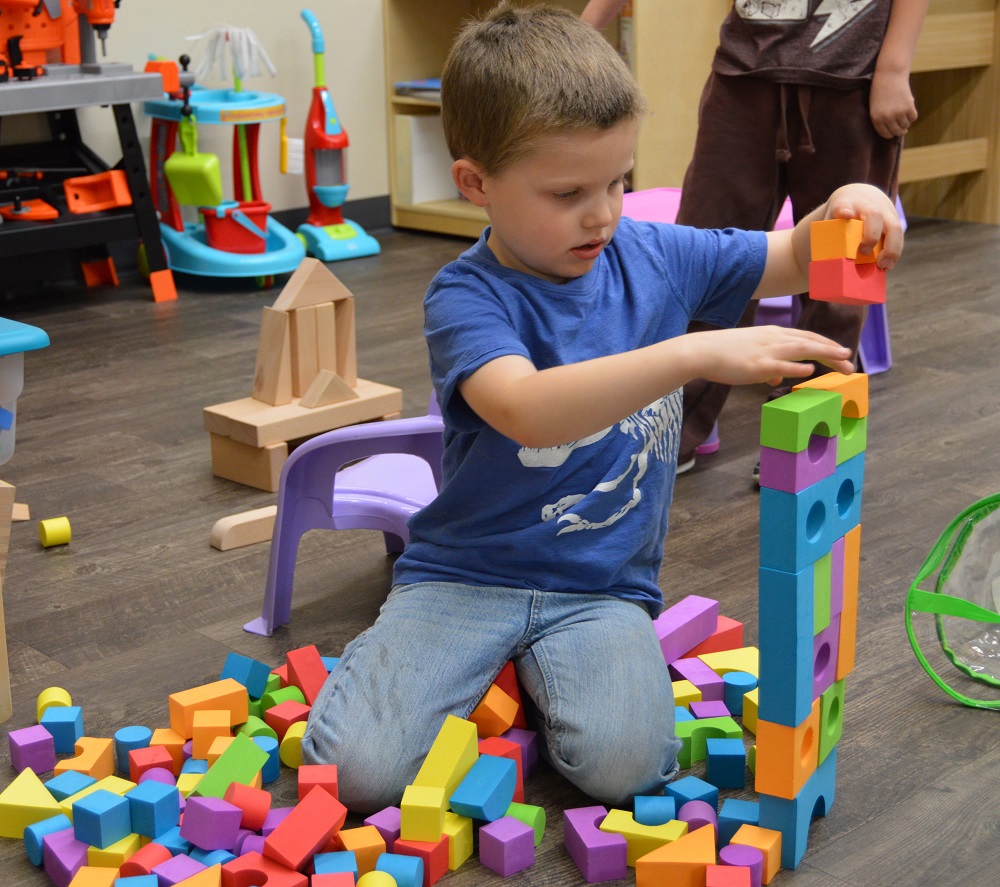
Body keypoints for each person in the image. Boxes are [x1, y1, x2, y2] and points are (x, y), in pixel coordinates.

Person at [301, 2, 902, 813]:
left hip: (601, 586)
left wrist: (850, 207)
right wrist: (694, 353)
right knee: (358, 777)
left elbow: (792, 256)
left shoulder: (653, 253)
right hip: (466, 574)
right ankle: (420, 663)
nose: (604, 213)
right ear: (475, 182)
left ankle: (530, 682)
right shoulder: (466, 296)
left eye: (619, 180)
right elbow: (526, 409)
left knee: (627, 768)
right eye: (567, 191)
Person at [582, 0, 927, 475]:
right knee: (702, 254)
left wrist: (893, 67)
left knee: (840, 276)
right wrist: (581, 32)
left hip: (854, 82)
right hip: (742, 75)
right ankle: (673, 429)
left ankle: (811, 441)